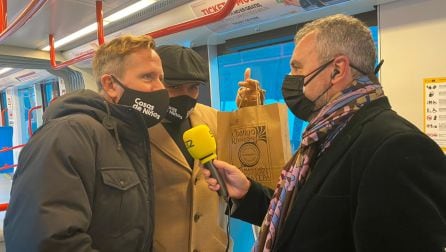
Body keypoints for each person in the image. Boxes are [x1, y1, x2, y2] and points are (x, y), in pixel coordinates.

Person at [202, 14, 446, 251]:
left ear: (337, 71)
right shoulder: (326, 134)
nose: (290, 80)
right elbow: (308, 221)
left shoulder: (395, 147)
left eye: (297, 69)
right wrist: (247, 193)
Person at [4, 35, 169, 251]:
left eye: (161, 78)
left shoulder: (128, 138)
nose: (160, 88)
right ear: (110, 85)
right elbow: (44, 241)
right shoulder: (67, 135)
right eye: (148, 77)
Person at [149, 44, 231, 252]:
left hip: (213, 245)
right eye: (175, 87)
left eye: (193, 87)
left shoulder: (214, 118)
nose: (185, 96)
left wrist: (248, 113)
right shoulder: (138, 128)